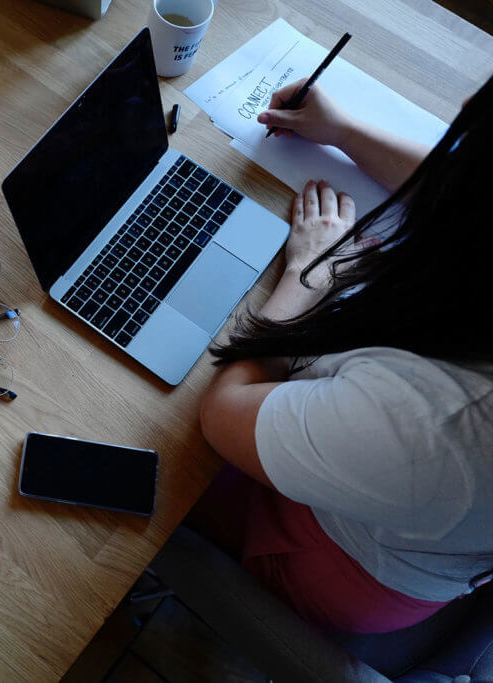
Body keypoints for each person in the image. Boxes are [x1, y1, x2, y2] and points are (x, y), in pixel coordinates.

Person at [195, 74, 493, 634]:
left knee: (151, 446)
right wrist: (343, 132)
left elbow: (222, 412)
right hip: (422, 518)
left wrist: (312, 272)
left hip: (338, 560)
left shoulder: (440, 425)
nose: (464, 102)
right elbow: (468, 191)